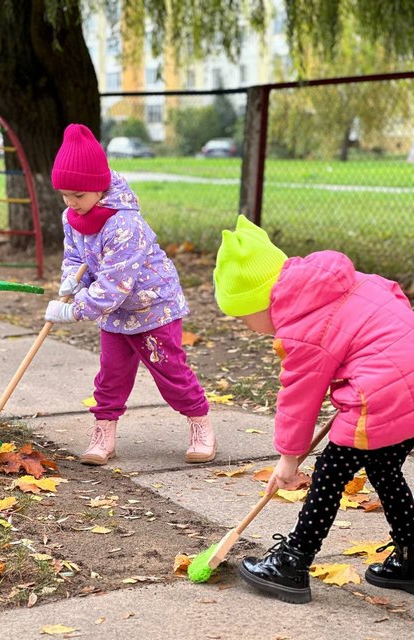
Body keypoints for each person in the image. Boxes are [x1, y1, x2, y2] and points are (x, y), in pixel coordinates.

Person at [213, 214, 414, 603]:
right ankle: (412, 556)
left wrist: (288, 460)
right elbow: (392, 297)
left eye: (243, 318)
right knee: (383, 465)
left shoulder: (302, 325)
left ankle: (293, 561)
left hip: (381, 395)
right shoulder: (340, 282)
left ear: (260, 300)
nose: (248, 327)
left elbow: (299, 398)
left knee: (329, 472)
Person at [44, 123, 216, 466]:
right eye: (64, 195)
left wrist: (75, 310)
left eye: (77, 195)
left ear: (98, 187)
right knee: (111, 373)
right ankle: (104, 433)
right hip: (116, 313)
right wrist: (70, 282)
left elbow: (115, 285)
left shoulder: (125, 225)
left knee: (170, 372)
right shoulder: (71, 216)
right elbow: (75, 256)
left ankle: (200, 423)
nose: (70, 203)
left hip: (154, 308)